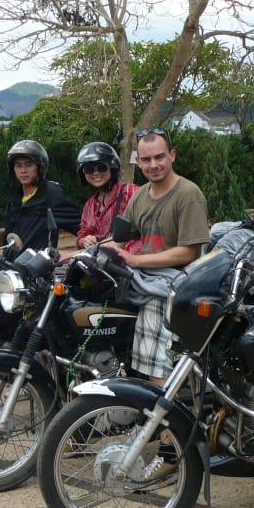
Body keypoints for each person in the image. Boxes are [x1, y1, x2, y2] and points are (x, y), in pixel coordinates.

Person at [114, 128, 210, 386]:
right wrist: (73, 255)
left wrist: (136, 260)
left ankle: (165, 423)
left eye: (159, 157)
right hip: (147, 278)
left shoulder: (188, 195)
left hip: (179, 283)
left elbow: (188, 252)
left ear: (172, 156)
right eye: (146, 160)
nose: (153, 165)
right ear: (138, 161)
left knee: (153, 328)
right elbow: (117, 240)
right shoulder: (139, 196)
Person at [2, 139, 81, 253]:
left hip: (37, 266)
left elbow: (81, 224)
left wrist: (86, 240)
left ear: (40, 167)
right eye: (18, 166)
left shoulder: (50, 194)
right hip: (11, 266)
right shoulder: (14, 199)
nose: (23, 171)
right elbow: (8, 240)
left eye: (29, 165)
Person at [73, 141, 139, 252]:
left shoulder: (131, 193)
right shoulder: (89, 205)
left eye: (101, 168)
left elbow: (150, 228)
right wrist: (84, 240)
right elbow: (82, 234)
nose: (96, 173)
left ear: (112, 169)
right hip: (99, 263)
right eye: (89, 169)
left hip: (131, 261)